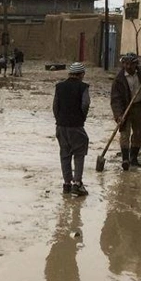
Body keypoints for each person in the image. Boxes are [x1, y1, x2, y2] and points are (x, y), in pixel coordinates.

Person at [110, 52, 141, 171]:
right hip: (125, 109)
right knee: (124, 134)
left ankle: (133, 158)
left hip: (139, 106)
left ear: (135, 64)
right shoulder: (119, 79)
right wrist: (118, 115)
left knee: (139, 133)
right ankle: (125, 159)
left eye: (130, 64)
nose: (128, 67)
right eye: (125, 64)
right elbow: (115, 99)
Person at [52, 62, 90, 196]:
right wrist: (81, 118)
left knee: (65, 154)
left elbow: (55, 106)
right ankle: (77, 184)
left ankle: (67, 184)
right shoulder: (83, 87)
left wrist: (59, 120)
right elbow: (85, 104)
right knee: (79, 153)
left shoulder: (59, 87)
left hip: (61, 126)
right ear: (81, 75)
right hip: (76, 126)